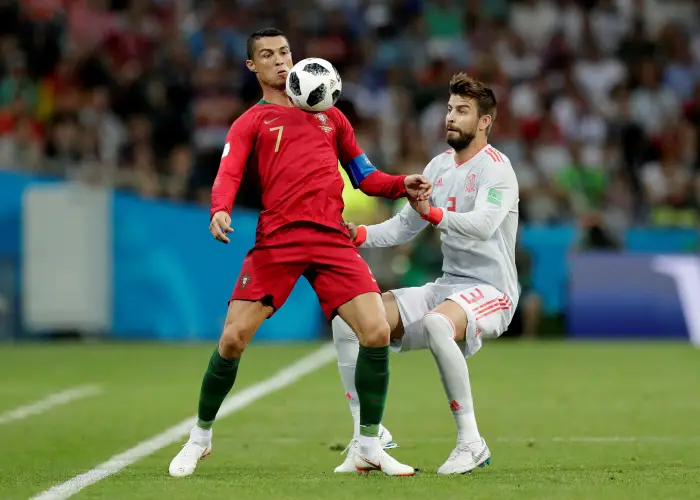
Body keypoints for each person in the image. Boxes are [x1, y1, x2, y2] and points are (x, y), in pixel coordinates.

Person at [168, 28, 431, 478]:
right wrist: (219, 210)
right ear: (252, 66)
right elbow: (228, 172)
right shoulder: (251, 121)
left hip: (332, 238)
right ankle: (200, 437)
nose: (279, 60)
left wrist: (400, 184)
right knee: (232, 340)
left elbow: (364, 176)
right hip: (278, 241)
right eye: (267, 55)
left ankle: (369, 444)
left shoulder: (331, 116)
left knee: (375, 332)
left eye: (284, 52)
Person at [332, 73, 520, 475]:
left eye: (463, 111)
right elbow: (405, 227)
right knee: (351, 320)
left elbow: (485, 224)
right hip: (450, 285)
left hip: (493, 290)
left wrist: (433, 213)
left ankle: (471, 443)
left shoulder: (497, 170)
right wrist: (357, 234)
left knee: (437, 324)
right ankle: (368, 436)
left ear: (485, 121)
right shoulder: (438, 166)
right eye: (451, 109)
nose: (451, 117)